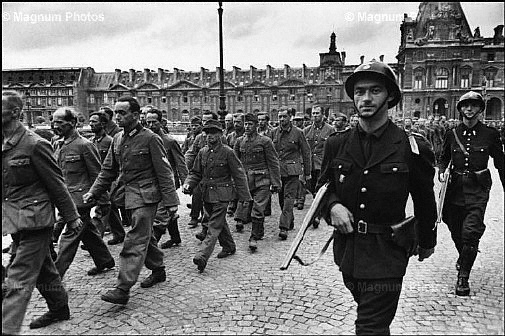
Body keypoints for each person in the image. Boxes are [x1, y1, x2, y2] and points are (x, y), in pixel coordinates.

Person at [318, 61, 437, 335]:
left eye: (375, 90)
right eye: (360, 92)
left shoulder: (411, 146)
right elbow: (322, 185)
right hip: (348, 251)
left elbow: (424, 199)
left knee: (369, 327)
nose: (366, 98)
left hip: (388, 253)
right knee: (374, 322)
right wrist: (333, 205)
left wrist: (427, 240)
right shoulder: (337, 143)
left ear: (390, 96)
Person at [83, 96, 179, 305]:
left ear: (136, 116)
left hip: (147, 196)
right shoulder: (117, 139)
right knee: (145, 236)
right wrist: (94, 192)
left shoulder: (150, 138)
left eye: (122, 113)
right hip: (126, 195)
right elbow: (108, 170)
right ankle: (158, 269)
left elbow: (164, 172)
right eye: (116, 113)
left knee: (135, 238)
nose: (117, 117)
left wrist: (171, 202)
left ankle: (123, 288)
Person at [2, 91, 82, 332]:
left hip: (36, 220)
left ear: (15, 112)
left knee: (19, 276)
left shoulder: (34, 144)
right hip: (13, 219)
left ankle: (7, 327)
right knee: (44, 270)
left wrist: (72, 216)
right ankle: (59, 307)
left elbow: (56, 183)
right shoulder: (4, 142)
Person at [438, 91, 505, 296]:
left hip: (478, 188)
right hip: (455, 188)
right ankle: (464, 255)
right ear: (460, 109)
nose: (469, 109)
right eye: (465, 106)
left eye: (473, 106)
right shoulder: (452, 133)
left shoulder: (490, 134)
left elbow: (501, 163)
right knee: (454, 226)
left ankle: (463, 277)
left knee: (471, 231)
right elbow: (444, 157)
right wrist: (441, 171)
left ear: (479, 109)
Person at [51, 107, 115, 278]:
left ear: (72, 123)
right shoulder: (58, 144)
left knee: (69, 238)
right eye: (54, 121)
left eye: (59, 122)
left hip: (81, 200)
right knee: (88, 231)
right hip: (66, 199)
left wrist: (103, 200)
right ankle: (105, 260)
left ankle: (56, 276)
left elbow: (97, 174)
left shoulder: (84, 145)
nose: (55, 125)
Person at [183, 119, 251, 272]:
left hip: (222, 195)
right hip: (207, 194)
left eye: (213, 133)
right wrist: (189, 183)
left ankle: (202, 255)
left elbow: (239, 175)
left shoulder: (228, 152)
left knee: (212, 225)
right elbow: (196, 172)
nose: (209, 136)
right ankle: (229, 246)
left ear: (220, 134)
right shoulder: (203, 152)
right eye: (207, 133)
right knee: (220, 223)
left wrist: (245, 197)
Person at [233, 113, 281, 251]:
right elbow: (235, 164)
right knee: (245, 206)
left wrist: (276, 182)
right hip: (246, 181)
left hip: (262, 180)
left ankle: (253, 237)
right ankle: (258, 232)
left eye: (250, 124)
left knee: (258, 209)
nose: (247, 127)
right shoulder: (239, 142)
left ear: (256, 126)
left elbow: (273, 162)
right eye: (245, 124)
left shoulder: (265, 141)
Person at [146, 109, 188, 249]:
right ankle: (175, 238)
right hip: (152, 182)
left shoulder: (169, 141)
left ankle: (150, 248)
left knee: (160, 214)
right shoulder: (146, 139)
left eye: (154, 122)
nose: (151, 125)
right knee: (169, 212)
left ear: (161, 122)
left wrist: (186, 182)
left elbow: (180, 162)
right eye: (148, 122)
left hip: (168, 182)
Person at [269, 107, 311, 240]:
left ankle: (283, 228)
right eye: (280, 117)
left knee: (288, 199)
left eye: (284, 117)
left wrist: (307, 173)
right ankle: (290, 221)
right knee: (281, 200)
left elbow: (306, 153)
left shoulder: (298, 133)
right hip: (278, 171)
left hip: (293, 171)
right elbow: (270, 153)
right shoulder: (273, 132)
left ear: (290, 117)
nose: (281, 119)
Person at [303, 104, 335, 228]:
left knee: (319, 190)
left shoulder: (330, 130)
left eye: (317, 113)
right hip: (310, 165)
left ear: (323, 115)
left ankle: (316, 215)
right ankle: (318, 211)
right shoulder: (306, 131)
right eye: (313, 114)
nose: (315, 116)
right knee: (312, 189)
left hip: (323, 165)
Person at [88, 111, 114, 238]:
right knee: (110, 209)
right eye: (90, 121)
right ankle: (119, 233)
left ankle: (96, 238)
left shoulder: (110, 141)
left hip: (108, 181)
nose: (90, 124)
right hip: (96, 181)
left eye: (94, 121)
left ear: (103, 124)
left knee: (101, 210)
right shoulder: (90, 142)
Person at [225, 113, 245, 218]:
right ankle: (232, 206)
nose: (235, 124)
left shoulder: (247, 135)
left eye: (238, 122)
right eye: (235, 122)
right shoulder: (230, 136)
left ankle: (239, 212)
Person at [292, 111, 307, 210]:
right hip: (294, 159)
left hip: (302, 159)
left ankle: (300, 199)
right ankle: (296, 198)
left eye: (299, 120)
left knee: (301, 181)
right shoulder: (292, 131)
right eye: (295, 120)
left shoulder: (306, 131)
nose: (297, 122)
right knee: (294, 181)